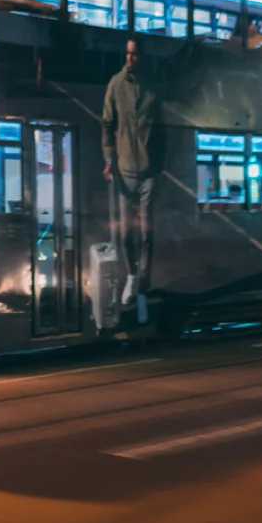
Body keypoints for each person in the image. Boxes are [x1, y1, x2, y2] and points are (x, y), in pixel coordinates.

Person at [102, 38, 161, 322]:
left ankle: (143, 282)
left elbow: (162, 129)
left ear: (141, 57)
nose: (130, 58)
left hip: (149, 170)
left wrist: (159, 163)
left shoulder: (152, 88)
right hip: (125, 169)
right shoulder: (116, 85)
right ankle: (132, 276)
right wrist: (109, 160)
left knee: (147, 231)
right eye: (127, 53)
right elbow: (107, 124)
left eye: (134, 54)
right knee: (127, 232)